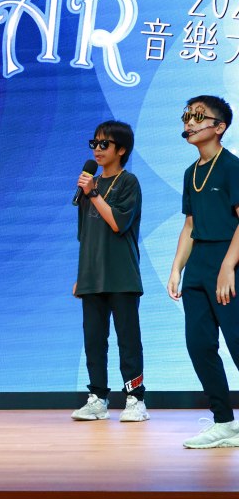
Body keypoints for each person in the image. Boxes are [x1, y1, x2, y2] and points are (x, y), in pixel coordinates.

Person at [168, 95, 239, 448]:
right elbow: (189, 225)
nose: (190, 123)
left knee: (237, 342)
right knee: (199, 345)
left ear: (219, 127)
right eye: (187, 117)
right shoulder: (190, 172)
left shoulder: (232, 167)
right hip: (197, 268)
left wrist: (228, 267)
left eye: (198, 116)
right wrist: (176, 269)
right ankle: (224, 422)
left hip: (228, 264)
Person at [70, 121, 147, 423]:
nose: (97, 150)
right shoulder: (88, 187)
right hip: (92, 276)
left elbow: (118, 223)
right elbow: (84, 236)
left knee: (128, 340)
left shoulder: (128, 182)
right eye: (95, 144)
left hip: (121, 275)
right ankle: (97, 398)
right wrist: (81, 275)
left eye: (105, 144)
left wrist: (93, 194)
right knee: (93, 340)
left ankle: (135, 398)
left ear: (121, 149)